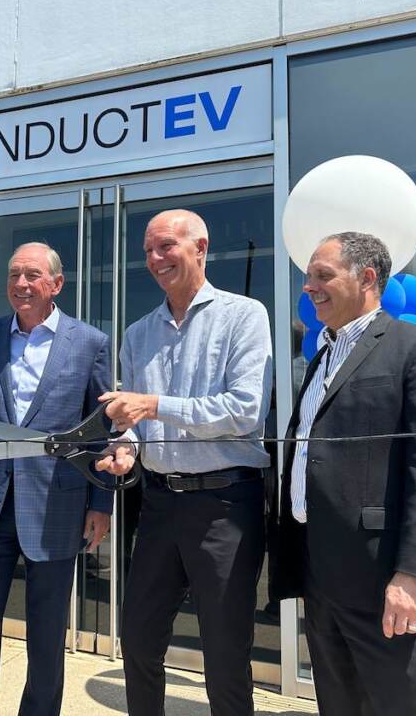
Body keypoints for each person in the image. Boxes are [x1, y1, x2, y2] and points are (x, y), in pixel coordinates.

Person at [271, 232, 416, 715]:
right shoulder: (321, 358)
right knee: (340, 705)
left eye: (322, 275)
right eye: (306, 277)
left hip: (386, 579)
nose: (308, 287)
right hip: (321, 573)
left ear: (368, 278)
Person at [96, 209, 272, 716]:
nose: (155, 258)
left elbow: (243, 411)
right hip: (158, 504)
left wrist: (152, 404)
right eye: (149, 249)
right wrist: (125, 447)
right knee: (138, 640)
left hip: (225, 504)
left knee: (224, 653)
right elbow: (132, 424)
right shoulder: (138, 333)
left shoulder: (244, 315)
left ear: (201, 247)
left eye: (166, 246)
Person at [0, 242, 112, 716]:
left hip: (57, 504)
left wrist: (102, 502)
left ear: (57, 284)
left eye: (32, 275)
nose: (21, 284)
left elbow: (101, 431)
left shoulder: (90, 342)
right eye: (14, 274)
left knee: (48, 636)